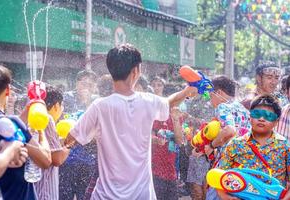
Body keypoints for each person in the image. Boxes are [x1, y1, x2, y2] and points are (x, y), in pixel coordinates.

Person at [64, 44, 197, 199]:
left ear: (111, 70)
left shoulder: (99, 106)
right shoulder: (148, 102)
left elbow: (71, 138)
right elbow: (169, 103)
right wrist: (187, 91)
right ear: (136, 71)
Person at [0, 63, 51, 200]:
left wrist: (23, 117)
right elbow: (45, 160)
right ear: (8, 90)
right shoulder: (12, 124)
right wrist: (41, 128)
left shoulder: (12, 123)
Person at [216, 94, 290, 200]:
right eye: (257, 114)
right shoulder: (235, 144)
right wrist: (225, 197)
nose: (261, 119)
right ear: (250, 117)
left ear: (276, 122)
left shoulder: (285, 147)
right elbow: (220, 176)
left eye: (268, 116)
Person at [199, 76, 251, 200]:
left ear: (219, 93)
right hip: (244, 166)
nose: (210, 101)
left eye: (211, 96)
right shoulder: (243, 109)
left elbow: (230, 130)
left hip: (225, 168)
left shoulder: (223, 107)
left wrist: (211, 146)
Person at [59, 70, 99, 200]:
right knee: (64, 196)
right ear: (77, 84)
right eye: (84, 83)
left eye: (90, 84)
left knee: (86, 196)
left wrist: (88, 102)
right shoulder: (65, 99)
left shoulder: (97, 102)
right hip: (66, 160)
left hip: (89, 161)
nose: (87, 87)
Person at [34, 85, 70, 200]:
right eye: (62, 105)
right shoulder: (48, 119)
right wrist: (70, 145)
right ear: (56, 106)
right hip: (44, 192)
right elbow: (56, 159)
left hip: (35, 190)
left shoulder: (33, 118)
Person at [151, 83, 184, 200]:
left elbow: (179, 141)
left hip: (171, 168)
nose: (180, 103)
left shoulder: (177, 115)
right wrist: (156, 140)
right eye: (179, 99)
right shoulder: (156, 113)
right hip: (154, 168)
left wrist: (175, 120)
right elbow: (146, 136)